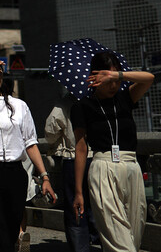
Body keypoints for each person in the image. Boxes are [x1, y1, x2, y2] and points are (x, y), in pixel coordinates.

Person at [0, 51, 56, 252]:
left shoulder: (19, 105)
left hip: (15, 173)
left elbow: (30, 143)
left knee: (13, 227)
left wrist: (45, 177)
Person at [71, 52, 154, 252]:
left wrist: (118, 76)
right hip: (102, 169)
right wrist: (79, 192)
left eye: (115, 78)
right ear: (95, 77)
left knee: (134, 234)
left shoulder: (126, 98)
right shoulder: (83, 106)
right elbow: (81, 148)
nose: (112, 85)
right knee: (118, 238)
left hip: (131, 167)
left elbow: (149, 78)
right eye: (107, 78)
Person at [45, 90, 100, 252]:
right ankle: (99, 236)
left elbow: (50, 130)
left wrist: (57, 142)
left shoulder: (65, 104)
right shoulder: (98, 100)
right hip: (99, 157)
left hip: (73, 157)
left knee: (74, 203)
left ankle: (79, 246)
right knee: (99, 201)